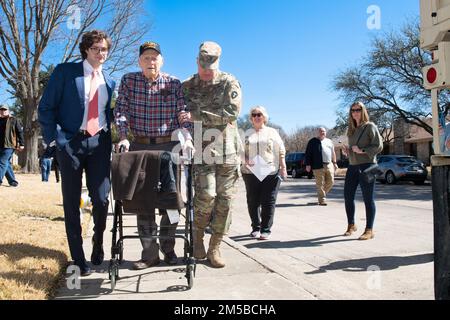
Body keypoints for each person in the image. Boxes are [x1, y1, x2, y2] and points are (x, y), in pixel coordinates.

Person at [38, 30, 116, 276]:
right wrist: (54, 140)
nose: (100, 53)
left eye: (104, 49)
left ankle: (97, 241)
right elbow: (46, 107)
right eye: (95, 48)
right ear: (86, 50)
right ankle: (78, 259)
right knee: (72, 202)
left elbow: (110, 115)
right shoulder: (65, 72)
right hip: (70, 143)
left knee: (102, 199)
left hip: (100, 144)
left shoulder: (110, 81)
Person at [115, 41, 193, 270]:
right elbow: (121, 110)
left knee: (172, 200)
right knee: (143, 202)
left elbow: (182, 111)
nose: (151, 61)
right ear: (139, 61)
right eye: (146, 57)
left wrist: (187, 136)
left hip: (167, 146)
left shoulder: (173, 83)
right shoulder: (129, 81)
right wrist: (122, 136)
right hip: (139, 146)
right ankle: (149, 253)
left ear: (162, 60)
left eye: (154, 57)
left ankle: (168, 247)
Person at [181, 41, 242, 268]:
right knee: (206, 196)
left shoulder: (229, 82)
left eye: (211, 65)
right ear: (197, 61)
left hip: (228, 151)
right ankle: (197, 238)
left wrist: (196, 115)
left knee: (225, 202)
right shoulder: (187, 85)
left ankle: (215, 247)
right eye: (203, 64)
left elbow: (231, 112)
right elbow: (179, 112)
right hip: (202, 151)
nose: (207, 70)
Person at [241, 106, 287, 240]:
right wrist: (246, 159)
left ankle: (266, 229)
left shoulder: (272, 132)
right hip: (250, 172)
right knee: (252, 201)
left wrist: (283, 167)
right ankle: (255, 227)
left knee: (268, 200)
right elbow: (239, 151)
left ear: (264, 117)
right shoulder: (247, 133)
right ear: (251, 118)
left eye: (259, 114)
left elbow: (281, 150)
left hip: (270, 171)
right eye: (253, 115)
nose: (256, 117)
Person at [342, 102, 383, 240]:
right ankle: (351, 224)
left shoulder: (370, 126)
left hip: (368, 166)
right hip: (353, 166)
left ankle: (369, 229)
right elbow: (353, 148)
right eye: (352, 110)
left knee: (368, 198)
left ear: (363, 110)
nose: (355, 112)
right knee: (348, 197)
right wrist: (348, 152)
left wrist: (363, 150)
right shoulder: (351, 130)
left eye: (358, 110)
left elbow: (379, 146)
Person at [305, 127, 338, 206]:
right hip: (317, 165)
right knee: (320, 184)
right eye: (320, 131)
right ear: (317, 133)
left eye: (323, 131)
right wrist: (308, 164)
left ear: (326, 132)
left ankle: (321, 195)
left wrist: (335, 162)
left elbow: (333, 152)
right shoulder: (312, 142)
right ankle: (322, 200)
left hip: (329, 164)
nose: (322, 132)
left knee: (331, 182)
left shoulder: (329, 141)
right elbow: (308, 154)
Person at [0, 104, 24, 187]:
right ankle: (13, 182)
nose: (3, 111)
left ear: (8, 111)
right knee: (6, 163)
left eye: (4, 110)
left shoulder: (14, 120)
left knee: (2, 162)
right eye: (1, 110)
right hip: (0, 145)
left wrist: (22, 144)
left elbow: (20, 132)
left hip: (9, 145)